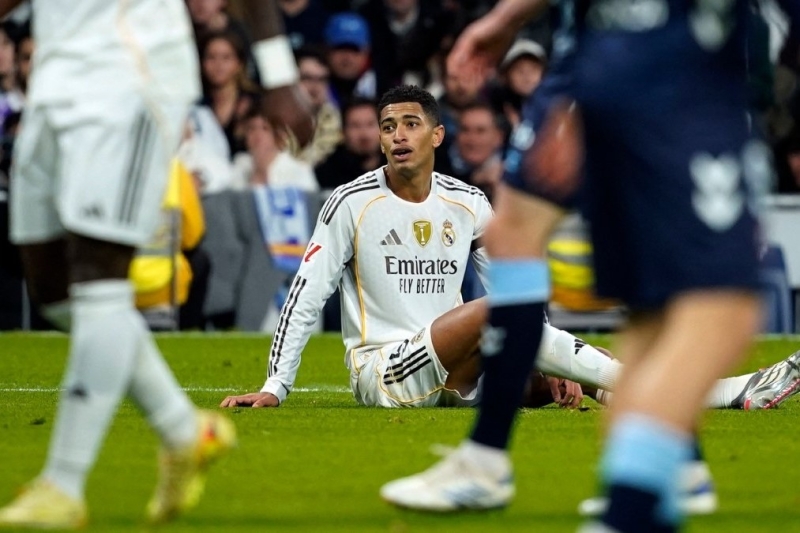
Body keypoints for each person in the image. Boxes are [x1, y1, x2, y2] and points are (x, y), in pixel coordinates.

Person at [381, 2, 800, 533]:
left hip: (619, 62)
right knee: (715, 305)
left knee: (655, 291)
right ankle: (617, 487)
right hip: (649, 59)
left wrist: (504, 21)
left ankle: (651, 472)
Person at [0, 0, 313, 528]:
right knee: (53, 290)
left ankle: (63, 484)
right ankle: (184, 430)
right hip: (55, 78)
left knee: (98, 282)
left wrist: (280, 75)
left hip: (131, 76)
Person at [314, 97, 384, 190]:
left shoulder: (397, 167)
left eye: (370, 124)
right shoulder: (326, 174)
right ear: (343, 132)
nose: (364, 134)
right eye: (355, 126)